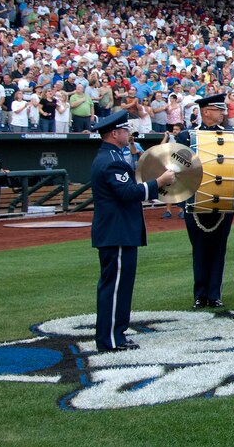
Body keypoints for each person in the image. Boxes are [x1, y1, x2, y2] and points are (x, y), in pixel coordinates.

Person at [90, 110, 176, 352]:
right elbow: (127, 193)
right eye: (125, 130)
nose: (129, 133)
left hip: (118, 231)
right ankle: (110, 339)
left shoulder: (112, 156)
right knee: (115, 287)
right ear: (115, 133)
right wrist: (158, 183)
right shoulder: (112, 160)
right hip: (116, 231)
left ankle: (116, 334)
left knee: (120, 285)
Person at [175, 93, 234, 309]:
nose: (222, 112)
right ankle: (200, 294)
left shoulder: (230, 136)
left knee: (219, 248)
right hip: (196, 202)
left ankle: (214, 293)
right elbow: (176, 168)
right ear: (205, 111)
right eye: (218, 109)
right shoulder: (186, 136)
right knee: (199, 248)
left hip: (222, 201)